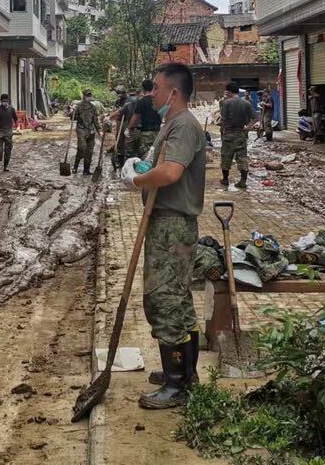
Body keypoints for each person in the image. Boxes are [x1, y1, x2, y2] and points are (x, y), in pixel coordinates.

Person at [120, 62, 206, 409]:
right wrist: (143, 167)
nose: (149, 93)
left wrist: (136, 181)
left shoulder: (183, 125)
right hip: (166, 220)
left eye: (155, 88)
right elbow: (162, 165)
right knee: (178, 299)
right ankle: (185, 372)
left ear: (173, 92)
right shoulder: (171, 124)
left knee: (164, 299)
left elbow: (170, 173)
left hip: (173, 223)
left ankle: (176, 386)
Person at [219, 83, 255, 189]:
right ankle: (243, 181)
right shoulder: (246, 103)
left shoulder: (226, 103)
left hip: (229, 133)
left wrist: (222, 127)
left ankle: (225, 179)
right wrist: (248, 127)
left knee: (226, 156)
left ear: (229, 92)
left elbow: (223, 119)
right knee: (242, 157)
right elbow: (255, 118)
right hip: (240, 133)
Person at [127, 79, 162, 161]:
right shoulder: (158, 101)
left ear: (143, 89)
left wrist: (129, 129)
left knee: (145, 158)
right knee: (156, 157)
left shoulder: (142, 101)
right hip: (159, 133)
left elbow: (135, 118)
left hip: (146, 134)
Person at [73, 90, 100, 175]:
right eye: (87, 95)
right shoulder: (78, 106)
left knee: (89, 151)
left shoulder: (93, 107)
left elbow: (95, 120)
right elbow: (73, 118)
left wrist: (99, 130)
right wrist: (72, 112)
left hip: (91, 131)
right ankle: (75, 167)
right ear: (83, 96)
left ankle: (86, 170)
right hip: (81, 129)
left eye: (90, 95)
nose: (89, 97)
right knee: (82, 148)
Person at [0, 93, 15, 171]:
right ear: (1, 102)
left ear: (8, 101)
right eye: (3, 101)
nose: (4, 103)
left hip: (8, 132)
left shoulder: (12, 109)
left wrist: (17, 127)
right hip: (0, 132)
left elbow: (15, 119)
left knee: (8, 150)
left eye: (5, 101)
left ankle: (6, 166)